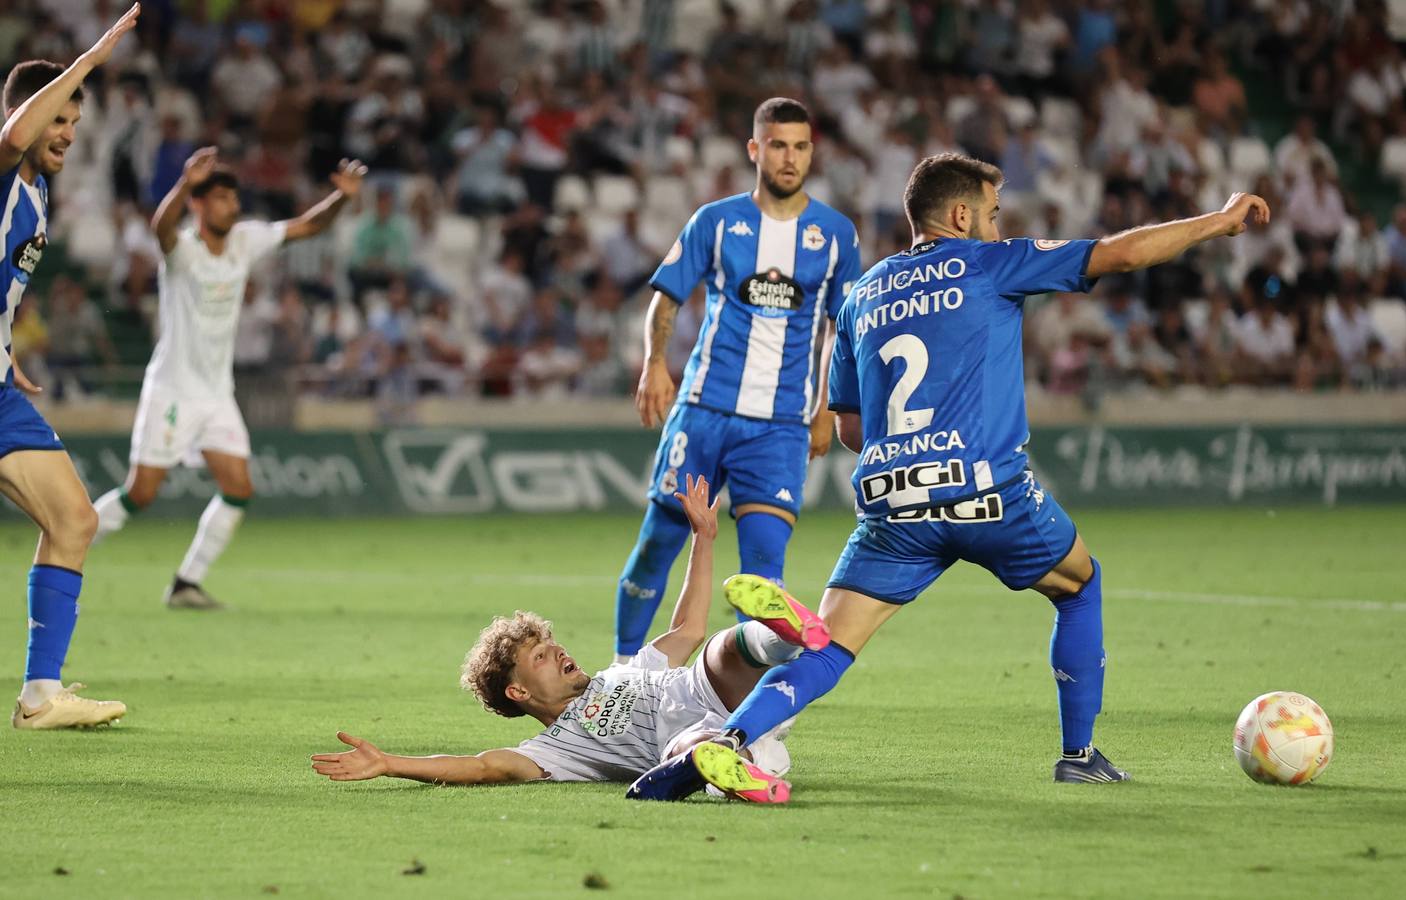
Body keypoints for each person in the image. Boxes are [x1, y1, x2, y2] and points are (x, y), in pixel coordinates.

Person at [629, 153, 1270, 801]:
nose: (997, 226)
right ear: (961, 215)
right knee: (1079, 584)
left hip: (892, 503)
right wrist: (1218, 221)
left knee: (827, 646)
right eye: (992, 214)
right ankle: (1078, 755)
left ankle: (728, 740)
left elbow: (850, 429)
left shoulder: (862, 296)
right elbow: (1121, 254)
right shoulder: (991, 263)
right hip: (987, 492)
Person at [310, 475, 824, 801]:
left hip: (710, 689)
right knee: (691, 749)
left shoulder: (624, 671)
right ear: (518, 691)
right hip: (692, 735)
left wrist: (703, 539)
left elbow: (688, 628)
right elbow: (484, 766)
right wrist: (389, 763)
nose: (557, 650)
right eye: (540, 655)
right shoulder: (555, 750)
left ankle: (783, 635)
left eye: (551, 643)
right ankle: (741, 765)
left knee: (721, 648)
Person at [615, 98, 861, 663]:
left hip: (779, 426)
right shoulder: (717, 221)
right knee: (658, 543)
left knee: (763, 574)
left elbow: (840, 328)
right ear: (755, 149)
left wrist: (828, 407)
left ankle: (743, 698)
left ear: (811, 153)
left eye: (800, 147)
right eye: (777, 145)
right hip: (704, 409)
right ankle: (623, 673)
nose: (789, 158)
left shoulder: (835, 234)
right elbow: (666, 297)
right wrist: (655, 363)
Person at [90, 148, 368, 609]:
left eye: (234, 198)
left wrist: (341, 197)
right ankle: (68, 546)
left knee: (238, 488)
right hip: (173, 390)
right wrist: (183, 183)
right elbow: (160, 229)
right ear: (198, 204)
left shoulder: (245, 240)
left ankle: (186, 584)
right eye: (220, 198)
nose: (232, 206)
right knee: (140, 493)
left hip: (217, 394)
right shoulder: (183, 250)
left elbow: (307, 226)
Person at [5, 4, 139, 730]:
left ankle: (39, 696)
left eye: (74, 124)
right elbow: (13, 135)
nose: (66, 134)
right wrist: (90, 58)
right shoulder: (4, 167)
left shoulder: (37, 192)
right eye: (58, 119)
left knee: (74, 520)